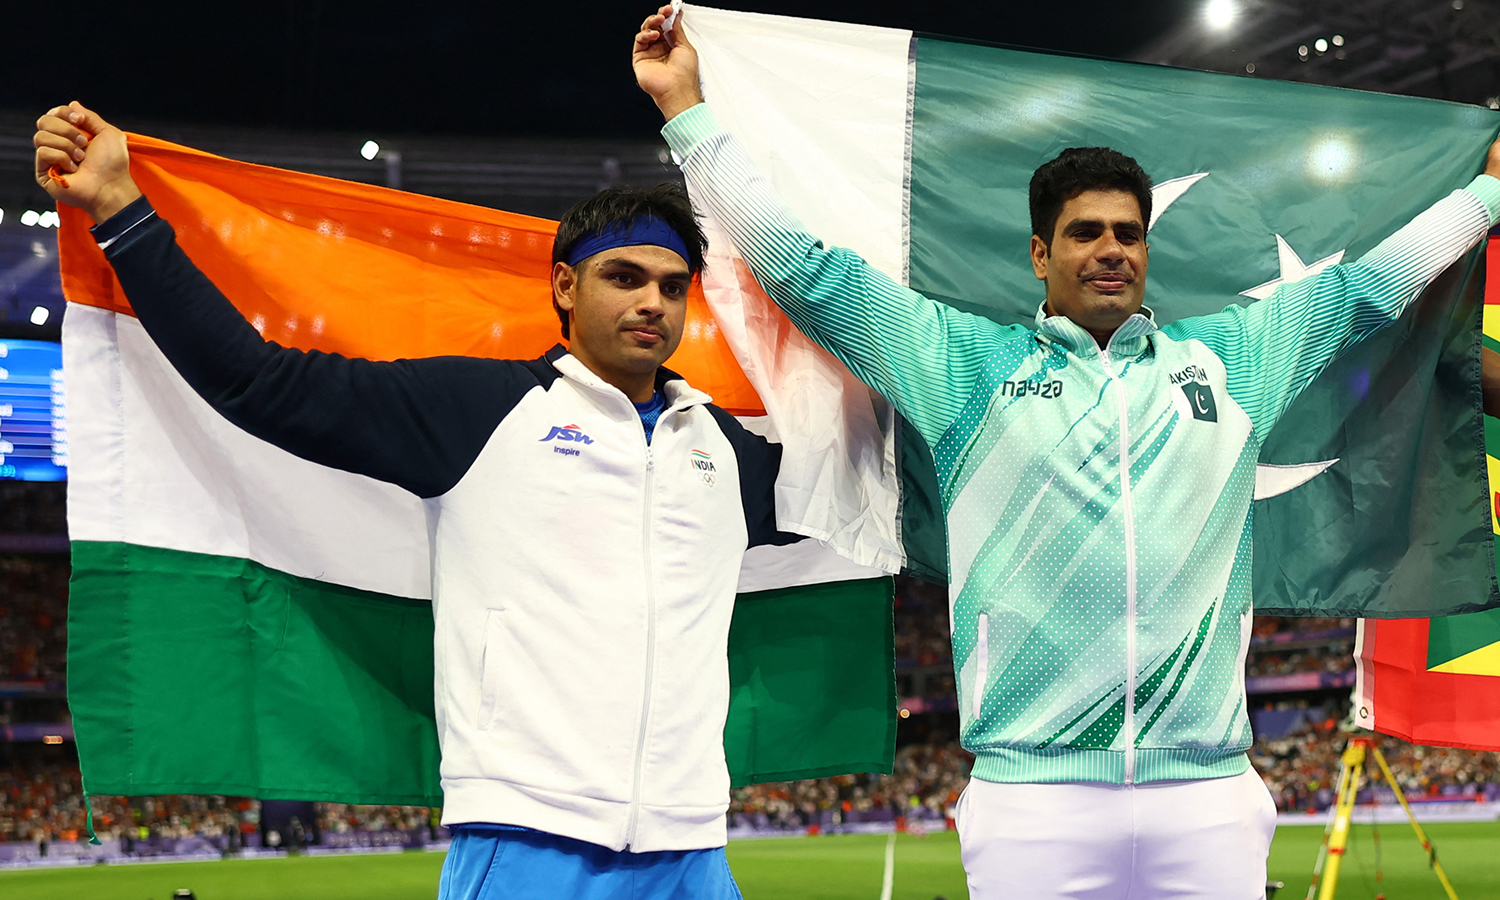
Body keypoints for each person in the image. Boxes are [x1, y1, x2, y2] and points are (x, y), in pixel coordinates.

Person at [632, 9, 1500, 898]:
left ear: (1148, 253)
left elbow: (1368, 289)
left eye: (1128, 233)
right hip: (1032, 802)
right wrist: (687, 109)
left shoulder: (1234, 361)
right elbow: (807, 272)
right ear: (1041, 255)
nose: (1111, 250)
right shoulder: (964, 365)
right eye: (1086, 233)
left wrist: (1488, 196)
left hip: (1205, 794)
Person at [34, 100, 798, 899]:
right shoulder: (476, 410)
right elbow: (259, 383)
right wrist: (122, 210)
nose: (653, 303)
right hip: (527, 842)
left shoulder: (721, 450)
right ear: (566, 287)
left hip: (695, 848)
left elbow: (861, 496)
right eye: (626, 277)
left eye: (674, 287)